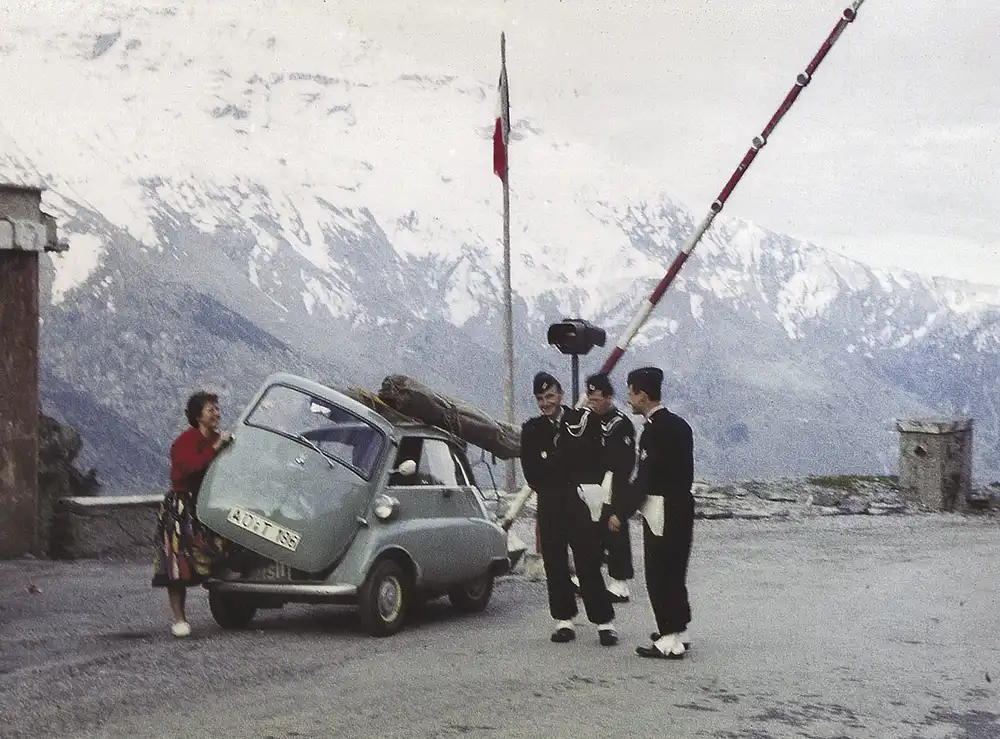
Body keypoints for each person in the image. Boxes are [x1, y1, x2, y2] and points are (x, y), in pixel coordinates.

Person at [520, 371, 618, 646]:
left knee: (587, 561)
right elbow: (531, 473)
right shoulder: (532, 429)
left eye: (549, 396)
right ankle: (564, 620)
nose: (545, 403)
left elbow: (594, 461)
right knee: (555, 562)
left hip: (579, 501)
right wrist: (561, 467)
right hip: (550, 503)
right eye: (540, 398)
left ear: (560, 395)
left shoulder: (582, 422)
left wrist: (558, 466)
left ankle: (604, 622)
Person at [608, 366, 695, 660]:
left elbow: (644, 478)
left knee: (659, 573)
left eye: (631, 393)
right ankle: (679, 629)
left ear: (643, 395)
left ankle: (668, 639)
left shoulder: (653, 432)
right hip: (682, 503)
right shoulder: (680, 425)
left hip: (661, 507)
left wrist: (620, 512)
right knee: (677, 568)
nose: (629, 400)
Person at [152, 391, 233, 637]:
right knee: (177, 563)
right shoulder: (185, 442)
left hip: (209, 505)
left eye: (217, 409)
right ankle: (179, 618)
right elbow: (188, 468)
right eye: (211, 409)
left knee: (220, 553)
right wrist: (216, 447)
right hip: (182, 507)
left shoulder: (221, 439)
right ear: (198, 415)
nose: (216, 413)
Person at [581, 372, 637, 603]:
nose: (593, 404)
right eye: (590, 399)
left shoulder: (621, 424)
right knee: (589, 531)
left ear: (608, 397)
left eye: (597, 399)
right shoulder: (586, 419)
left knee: (615, 530)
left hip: (613, 480)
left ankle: (620, 582)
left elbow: (623, 461)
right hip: (590, 482)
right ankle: (588, 577)